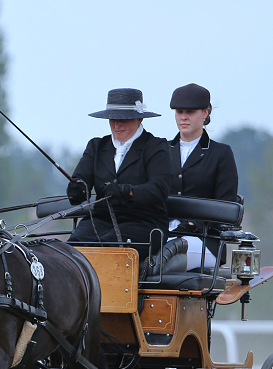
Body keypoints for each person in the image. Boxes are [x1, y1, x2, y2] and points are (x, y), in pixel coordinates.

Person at [66, 88, 172, 258]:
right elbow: (81, 180)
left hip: (144, 223)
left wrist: (127, 192)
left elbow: (159, 189)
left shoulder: (156, 147)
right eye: (113, 119)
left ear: (140, 118)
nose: (117, 125)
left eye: (124, 119)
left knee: (108, 248)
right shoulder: (96, 147)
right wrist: (77, 190)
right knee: (70, 250)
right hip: (100, 220)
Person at [167, 83, 238, 270]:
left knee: (169, 257)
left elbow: (225, 204)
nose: (183, 117)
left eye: (190, 112)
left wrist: (193, 224)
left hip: (204, 239)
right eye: (179, 111)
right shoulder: (161, 151)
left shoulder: (220, 154)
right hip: (161, 233)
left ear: (205, 113)